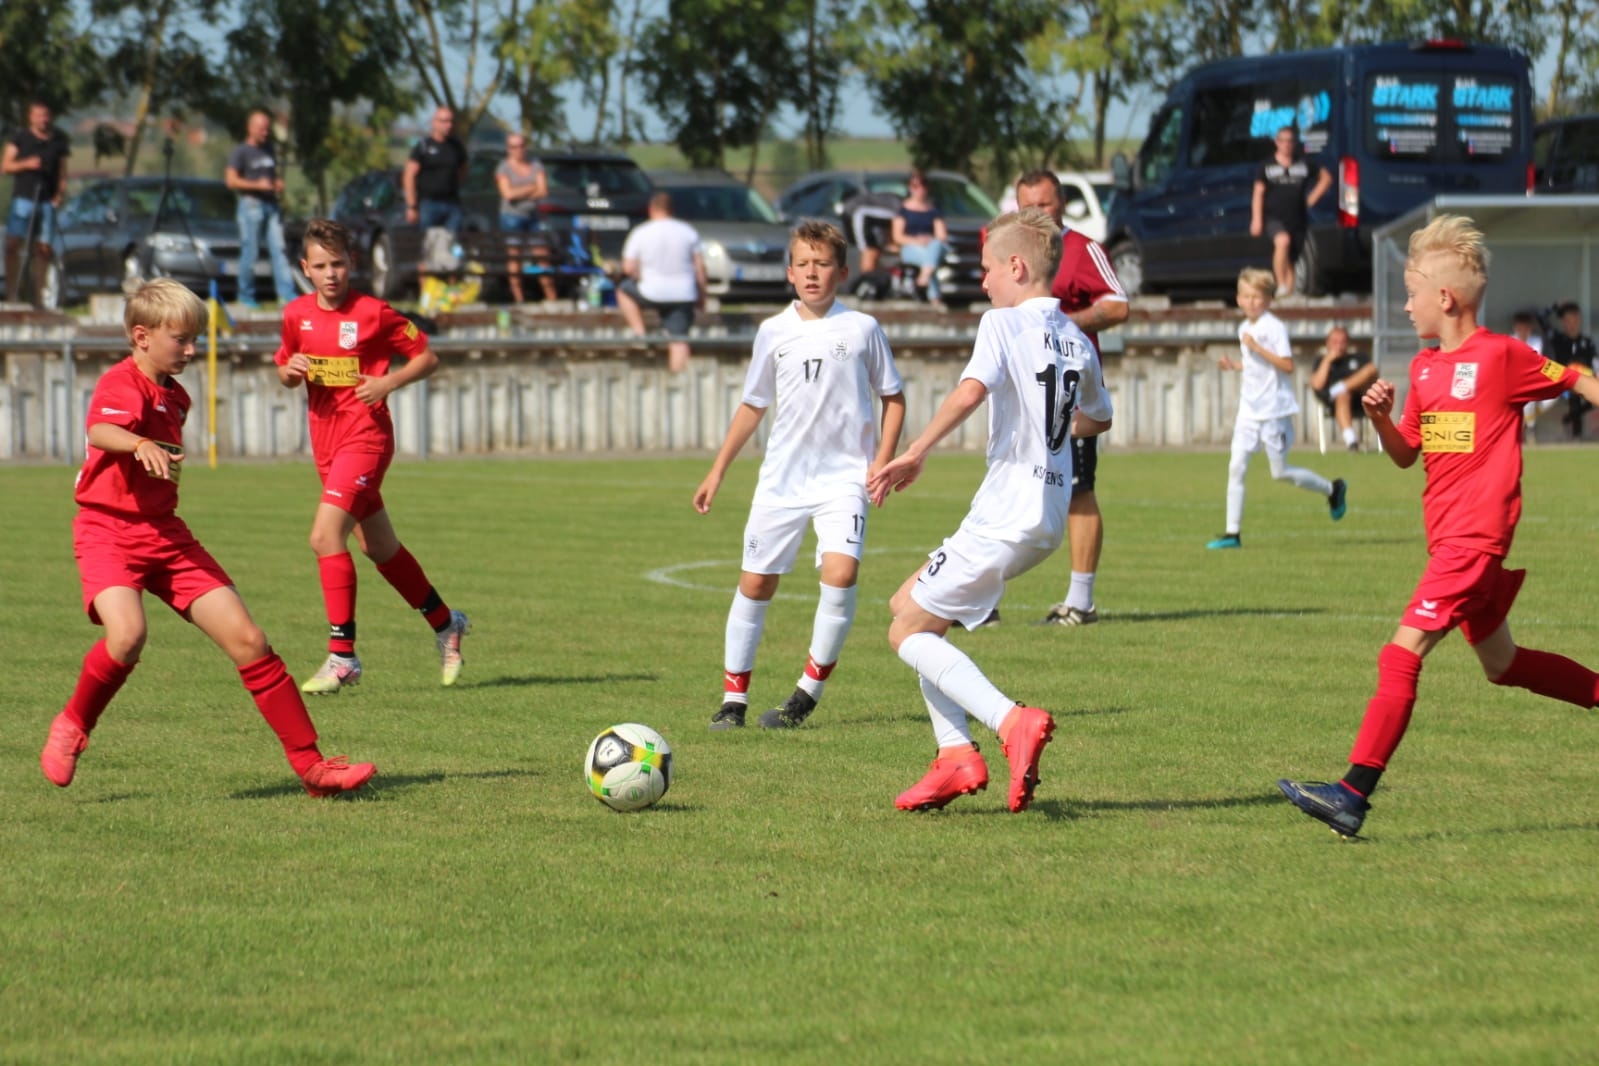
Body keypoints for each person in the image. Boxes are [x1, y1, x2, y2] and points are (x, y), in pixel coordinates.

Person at [1277, 214, 1599, 837]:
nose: (1405, 306)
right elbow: (1407, 454)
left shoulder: (1502, 357)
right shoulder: (1424, 369)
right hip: (1451, 543)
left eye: (1411, 293)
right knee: (1504, 665)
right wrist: (1380, 419)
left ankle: (1351, 793)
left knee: (1400, 653)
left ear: (1444, 298)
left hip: (1473, 543)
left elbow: (1576, 379)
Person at [39, 279, 375, 797]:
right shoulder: (121, 383)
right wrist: (139, 444)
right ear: (142, 336)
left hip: (166, 535)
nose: (192, 350)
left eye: (195, 339)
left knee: (250, 641)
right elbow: (100, 431)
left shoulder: (178, 397)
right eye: (181, 339)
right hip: (107, 532)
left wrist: (151, 454)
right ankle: (72, 726)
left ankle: (314, 769)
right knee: (127, 636)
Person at [866, 208, 1113, 813]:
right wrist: (1050, 429)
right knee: (908, 606)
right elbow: (1098, 418)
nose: (982, 281)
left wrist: (916, 450)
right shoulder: (1076, 337)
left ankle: (1008, 721)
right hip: (1047, 515)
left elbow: (971, 389)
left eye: (986, 269)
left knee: (904, 631)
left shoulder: (1001, 323)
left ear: (1017, 267)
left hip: (1005, 511)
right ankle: (954, 756)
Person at [695, 220, 905, 731]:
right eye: (803, 264)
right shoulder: (773, 332)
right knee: (755, 582)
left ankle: (806, 693)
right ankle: (733, 701)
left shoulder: (862, 328)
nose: (813, 273)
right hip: (782, 480)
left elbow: (893, 397)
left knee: (842, 573)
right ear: (789, 272)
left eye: (823, 264)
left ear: (843, 272)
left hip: (844, 479)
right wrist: (718, 470)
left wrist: (882, 460)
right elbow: (753, 404)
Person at [274, 219, 470, 694]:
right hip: (326, 443)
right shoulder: (296, 314)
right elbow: (284, 367)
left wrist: (387, 383)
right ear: (305, 268)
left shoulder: (373, 312)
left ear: (352, 263)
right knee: (378, 547)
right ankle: (447, 624)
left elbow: (427, 357)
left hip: (366, 439)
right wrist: (289, 371)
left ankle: (342, 656)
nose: (331, 273)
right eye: (321, 265)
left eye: (338, 264)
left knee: (324, 536)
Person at [1013, 169, 1129, 627]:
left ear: (1061, 204)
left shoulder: (1081, 249)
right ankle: (982, 597)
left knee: (1079, 489)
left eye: (1045, 204)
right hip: (1022, 394)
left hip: (1068, 394)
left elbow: (1118, 305)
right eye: (1028, 206)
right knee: (1009, 485)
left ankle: (1081, 602)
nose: (1037, 213)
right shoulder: (1010, 251)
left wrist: (1064, 324)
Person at [1206, 267, 1346, 549]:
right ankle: (1233, 533)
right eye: (1246, 296)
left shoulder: (1274, 328)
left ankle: (1332, 489)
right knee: (1236, 467)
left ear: (1268, 300)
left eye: (1257, 296)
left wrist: (1258, 348)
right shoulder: (1243, 328)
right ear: (1238, 299)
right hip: (1249, 410)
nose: (1251, 302)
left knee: (1279, 472)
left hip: (1274, 411)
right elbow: (1255, 366)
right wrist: (1235, 365)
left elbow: (1287, 365)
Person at [616, 191, 708, 373]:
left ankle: (640, 334)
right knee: (679, 340)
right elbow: (700, 269)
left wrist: (639, 274)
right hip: (683, 293)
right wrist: (702, 295)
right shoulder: (688, 232)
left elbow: (627, 268)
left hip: (650, 291)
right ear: (672, 210)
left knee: (623, 290)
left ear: (651, 209)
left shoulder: (641, 232)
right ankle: (679, 380)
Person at [223, 109, 298, 309]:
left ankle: (286, 294)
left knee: (280, 250)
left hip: (271, 205)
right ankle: (245, 295)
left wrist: (276, 183)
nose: (265, 133)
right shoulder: (241, 152)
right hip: (251, 206)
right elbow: (231, 181)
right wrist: (257, 185)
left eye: (267, 129)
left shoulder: (268, 149)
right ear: (250, 128)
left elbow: (270, 176)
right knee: (251, 252)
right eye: (261, 129)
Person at [1250, 126, 1331, 298]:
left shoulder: (1303, 164)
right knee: (1282, 241)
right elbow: (1258, 193)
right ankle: (1280, 285)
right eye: (1283, 141)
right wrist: (1256, 219)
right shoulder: (1266, 166)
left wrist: (1312, 199)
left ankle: (1287, 294)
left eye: (1290, 141)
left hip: (1296, 218)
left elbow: (1326, 178)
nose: (1286, 145)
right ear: (1276, 142)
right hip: (1273, 216)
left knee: (1291, 258)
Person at [2, 99, 68, 308]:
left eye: (46, 115)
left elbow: (62, 171)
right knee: (13, 245)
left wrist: (59, 195)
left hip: (47, 201)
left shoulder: (58, 141)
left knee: (43, 249)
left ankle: (39, 296)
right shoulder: (20, 138)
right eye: (39, 115)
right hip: (23, 199)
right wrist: (26, 164)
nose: (43, 119)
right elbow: (5, 166)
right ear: (31, 117)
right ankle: (12, 293)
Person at [495, 133, 557, 305]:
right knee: (515, 256)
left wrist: (520, 192)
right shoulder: (503, 168)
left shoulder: (535, 164)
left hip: (534, 216)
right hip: (511, 217)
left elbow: (543, 190)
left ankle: (551, 297)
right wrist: (531, 187)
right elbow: (508, 194)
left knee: (542, 255)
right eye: (514, 147)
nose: (519, 150)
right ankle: (519, 298)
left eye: (521, 145)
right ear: (508, 149)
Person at [1308, 325, 1378, 452]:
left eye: (1342, 342)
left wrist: (1347, 386)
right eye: (1335, 342)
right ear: (1328, 343)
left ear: (1348, 343)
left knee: (1370, 370)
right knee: (1343, 395)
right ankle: (1351, 441)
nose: (1339, 346)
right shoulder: (1321, 360)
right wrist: (1327, 361)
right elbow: (1317, 385)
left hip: (1361, 398)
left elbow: (1372, 372)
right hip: (1335, 403)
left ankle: (1337, 389)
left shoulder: (1359, 357)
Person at [402, 106, 468, 235]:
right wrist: (411, 206)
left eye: (451, 121)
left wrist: (454, 183)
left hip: (452, 204)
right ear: (434, 123)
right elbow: (409, 176)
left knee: (452, 242)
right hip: (428, 204)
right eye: (444, 121)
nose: (449, 125)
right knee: (429, 241)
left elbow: (464, 169)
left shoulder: (456, 146)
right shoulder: (423, 146)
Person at [890, 169, 949, 309]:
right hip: (910, 247)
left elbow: (941, 235)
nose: (920, 189)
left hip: (931, 247)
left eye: (923, 185)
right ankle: (934, 296)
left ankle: (925, 276)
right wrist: (917, 241)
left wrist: (928, 240)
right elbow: (897, 236)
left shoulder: (933, 210)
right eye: (915, 186)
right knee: (929, 258)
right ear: (910, 188)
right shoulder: (903, 210)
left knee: (934, 247)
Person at [1545, 301, 1597, 438]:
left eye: (1575, 321)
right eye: (1568, 321)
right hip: (1561, 383)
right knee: (1575, 392)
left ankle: (1576, 431)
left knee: (1584, 390)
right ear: (1563, 322)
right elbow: (1541, 318)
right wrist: (1555, 307)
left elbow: (1595, 364)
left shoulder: (1587, 342)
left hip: (1583, 382)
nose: (1572, 325)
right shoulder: (1557, 339)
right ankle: (1575, 433)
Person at [841, 188, 901, 276]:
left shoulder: (894, 206)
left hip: (858, 215)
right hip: (858, 215)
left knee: (874, 253)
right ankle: (868, 276)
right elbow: (861, 214)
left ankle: (873, 274)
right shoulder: (899, 209)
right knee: (870, 254)